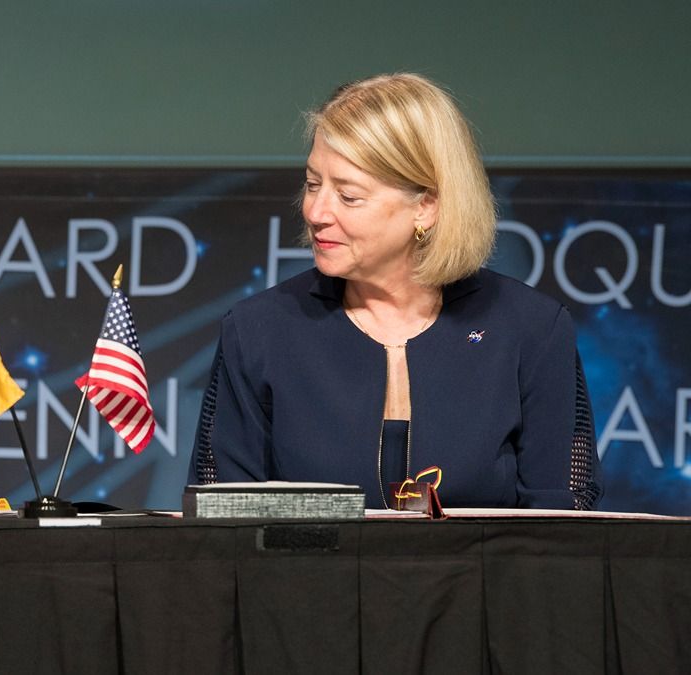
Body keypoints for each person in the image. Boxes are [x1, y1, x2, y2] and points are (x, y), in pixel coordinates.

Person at [190, 73, 602, 510]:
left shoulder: (532, 330)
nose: (315, 211)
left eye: (348, 196)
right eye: (313, 184)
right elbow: (222, 525)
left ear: (426, 205)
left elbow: (562, 528)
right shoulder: (258, 331)